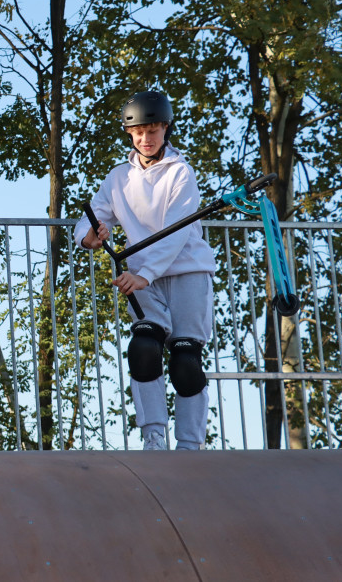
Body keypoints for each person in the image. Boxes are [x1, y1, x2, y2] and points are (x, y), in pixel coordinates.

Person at [75, 90, 215, 450]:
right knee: (144, 348)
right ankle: (154, 435)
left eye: (152, 131)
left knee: (185, 359)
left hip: (185, 272)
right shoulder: (118, 177)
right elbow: (90, 218)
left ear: (165, 129)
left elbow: (175, 232)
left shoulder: (181, 173)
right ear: (129, 134)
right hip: (142, 276)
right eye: (138, 132)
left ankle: (190, 444)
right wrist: (89, 236)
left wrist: (145, 273)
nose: (146, 139)